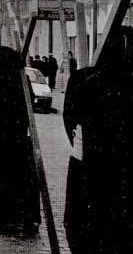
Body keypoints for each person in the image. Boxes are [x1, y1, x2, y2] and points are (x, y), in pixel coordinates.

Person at [63, 27, 133, 253]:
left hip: (90, 170)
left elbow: (71, 121)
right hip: (113, 174)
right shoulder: (91, 82)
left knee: (87, 228)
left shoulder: (85, 81)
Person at [0, 45, 41, 235]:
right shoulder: (20, 77)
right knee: (23, 180)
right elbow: (29, 102)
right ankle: (25, 218)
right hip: (19, 135)